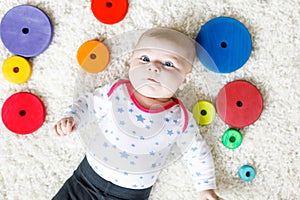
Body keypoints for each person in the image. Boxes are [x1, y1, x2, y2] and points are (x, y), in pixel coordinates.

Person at [53, 27, 222, 200]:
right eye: (145, 59)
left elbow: (196, 152)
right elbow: (89, 103)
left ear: (184, 79)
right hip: (85, 180)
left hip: (129, 195)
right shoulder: (117, 91)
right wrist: (73, 117)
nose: (154, 67)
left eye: (168, 64)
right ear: (131, 62)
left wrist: (205, 188)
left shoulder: (180, 118)